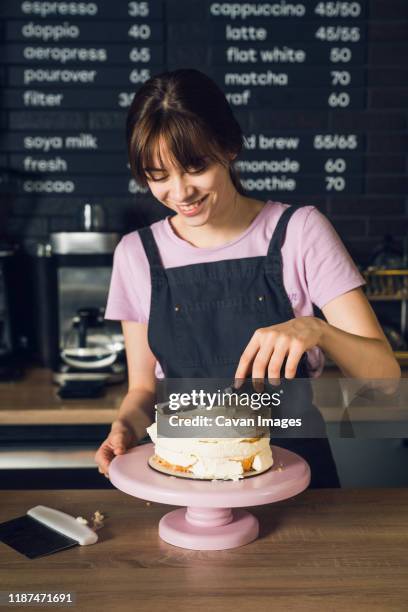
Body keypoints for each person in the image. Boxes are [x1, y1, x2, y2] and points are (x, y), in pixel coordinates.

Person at [94, 69, 400, 487]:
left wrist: (317, 331)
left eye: (195, 167)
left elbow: (384, 381)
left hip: (295, 477)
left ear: (230, 146)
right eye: (157, 175)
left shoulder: (300, 230)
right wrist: (125, 427)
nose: (180, 192)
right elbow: (143, 392)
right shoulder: (135, 254)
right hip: (186, 479)